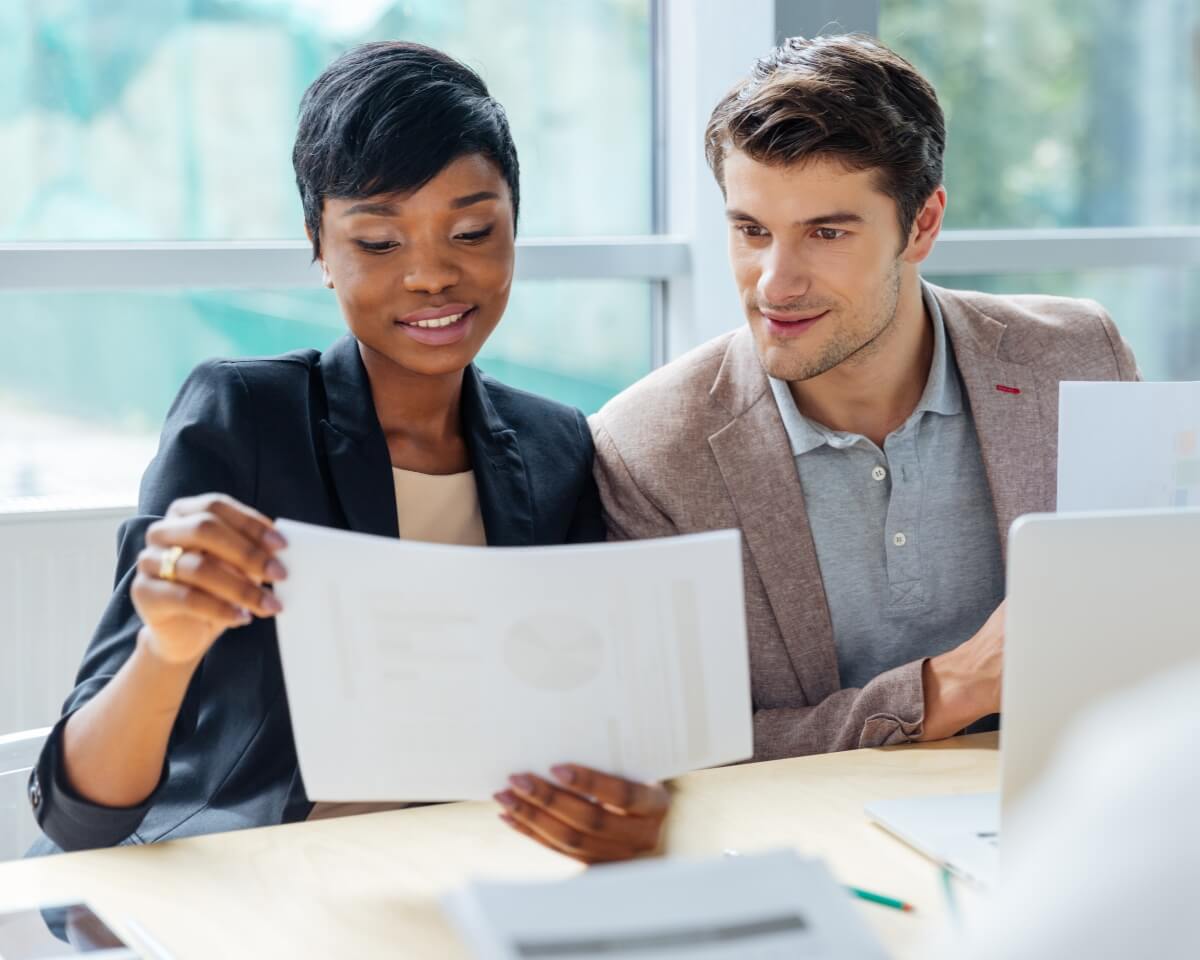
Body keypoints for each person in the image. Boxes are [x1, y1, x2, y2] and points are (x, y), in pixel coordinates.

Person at [26, 41, 667, 860]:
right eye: (378, 243)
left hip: (475, 869)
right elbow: (79, 816)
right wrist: (167, 646)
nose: (433, 275)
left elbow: (585, 719)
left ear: (515, 227)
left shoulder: (556, 444)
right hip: (256, 881)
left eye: (471, 230)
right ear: (319, 248)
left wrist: (629, 792)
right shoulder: (244, 415)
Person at [588, 35, 1140, 760]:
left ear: (923, 225)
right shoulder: (648, 450)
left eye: (825, 233)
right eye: (751, 231)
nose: (774, 283)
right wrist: (948, 689)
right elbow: (679, 743)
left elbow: (1148, 633)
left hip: (1070, 812)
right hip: (814, 846)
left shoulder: (1075, 357)